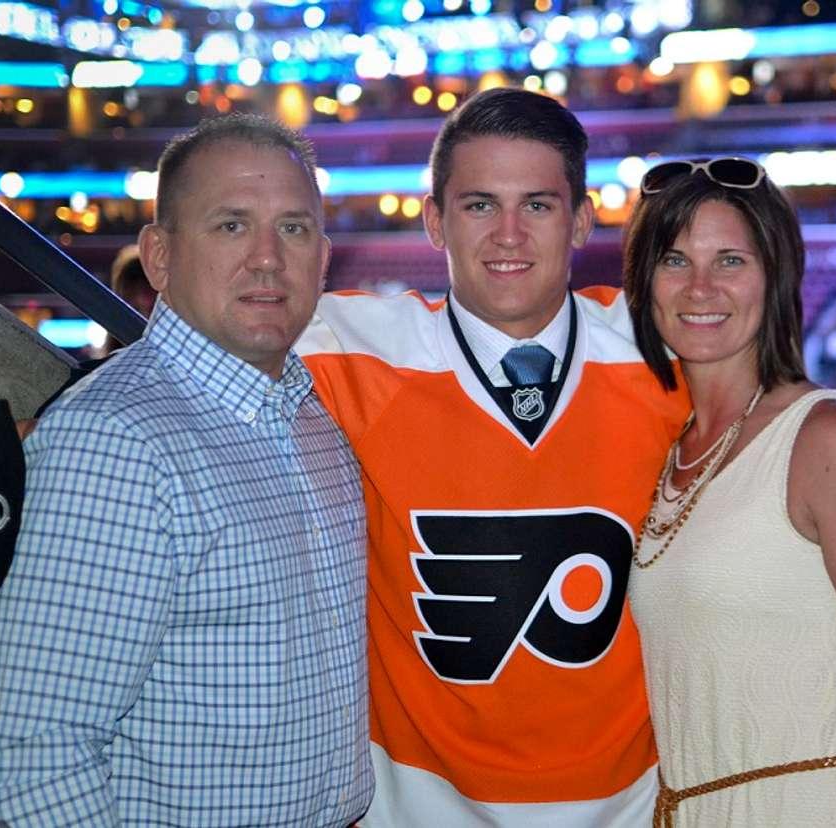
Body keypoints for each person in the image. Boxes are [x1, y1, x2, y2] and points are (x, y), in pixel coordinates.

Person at [0, 113, 374, 826]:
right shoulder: (117, 443)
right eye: (231, 226)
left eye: (295, 228)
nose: (269, 259)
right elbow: (32, 761)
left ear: (324, 257)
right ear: (158, 256)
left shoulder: (311, 422)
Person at [294, 87, 687, 824]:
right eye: (479, 205)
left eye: (537, 205)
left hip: (632, 807)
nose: (508, 235)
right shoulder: (345, 345)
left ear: (580, 221)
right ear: (434, 221)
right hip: (414, 810)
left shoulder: (667, 347)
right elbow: (201, 345)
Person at [621, 157, 836, 826]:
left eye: (730, 261)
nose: (699, 287)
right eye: (673, 261)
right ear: (644, 283)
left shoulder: (831, 439)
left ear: (776, 275)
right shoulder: (673, 452)